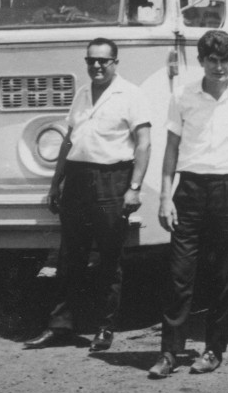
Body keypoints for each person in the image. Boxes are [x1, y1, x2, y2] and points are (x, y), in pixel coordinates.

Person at [147, 30, 228, 379]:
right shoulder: (183, 95)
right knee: (179, 274)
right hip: (191, 190)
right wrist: (166, 196)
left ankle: (214, 349)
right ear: (201, 61)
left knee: (223, 274)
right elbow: (171, 147)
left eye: (225, 60)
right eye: (212, 60)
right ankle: (170, 353)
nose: (219, 67)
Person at [24, 38, 151, 352]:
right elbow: (69, 141)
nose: (96, 66)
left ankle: (105, 328)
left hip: (112, 179)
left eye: (103, 61)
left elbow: (144, 144)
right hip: (78, 180)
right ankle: (60, 326)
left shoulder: (131, 95)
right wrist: (56, 184)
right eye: (91, 61)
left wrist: (134, 188)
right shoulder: (81, 94)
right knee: (69, 257)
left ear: (115, 63)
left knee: (109, 258)